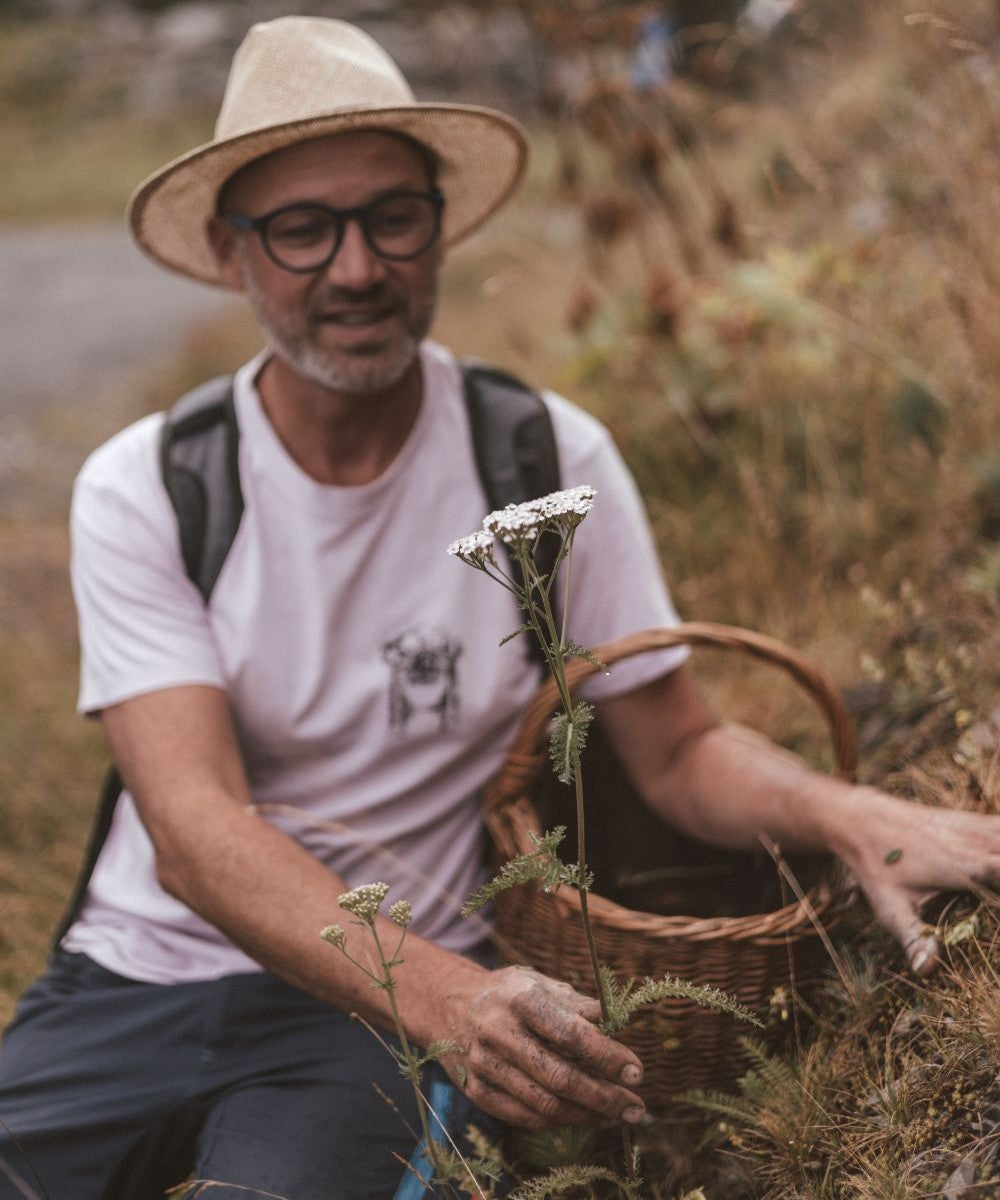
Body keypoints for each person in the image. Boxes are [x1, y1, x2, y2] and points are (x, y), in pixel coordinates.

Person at [0, 15, 997, 1200]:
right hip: (135, 981)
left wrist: (853, 816)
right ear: (233, 254)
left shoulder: (541, 459)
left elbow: (675, 748)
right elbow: (193, 830)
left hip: (366, 1022)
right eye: (304, 229)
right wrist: (457, 999)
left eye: (391, 218)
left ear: (439, 229)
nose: (357, 268)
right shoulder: (153, 482)